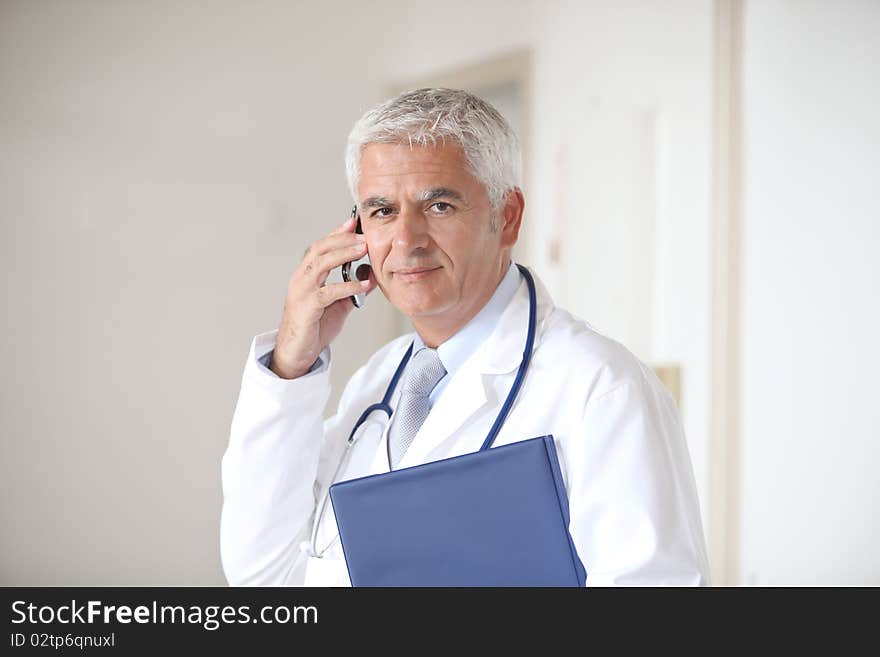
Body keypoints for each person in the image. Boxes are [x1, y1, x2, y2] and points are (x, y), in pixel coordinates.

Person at [220, 88, 710, 586]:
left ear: (508, 217)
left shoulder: (601, 388)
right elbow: (266, 576)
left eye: (439, 205)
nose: (407, 241)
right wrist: (290, 367)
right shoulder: (378, 385)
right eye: (382, 211)